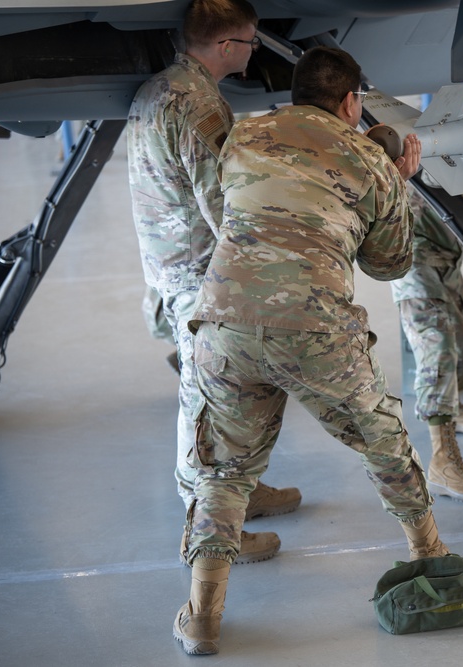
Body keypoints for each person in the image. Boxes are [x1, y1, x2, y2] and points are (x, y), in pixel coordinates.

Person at [173, 46, 449, 656]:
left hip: (226, 321)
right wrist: (395, 180)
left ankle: (202, 616)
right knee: (380, 435)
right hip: (315, 329)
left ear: (295, 91)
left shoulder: (245, 133)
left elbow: (226, 210)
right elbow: (390, 263)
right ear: (351, 101)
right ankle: (431, 553)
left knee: (223, 468)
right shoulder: (368, 161)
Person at [126, 0, 301, 566]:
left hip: (169, 263)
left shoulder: (157, 88)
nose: (254, 54)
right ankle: (209, 525)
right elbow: (225, 206)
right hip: (199, 274)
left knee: (224, 394)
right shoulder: (201, 106)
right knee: (208, 400)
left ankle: (239, 495)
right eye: (251, 43)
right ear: (226, 46)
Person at [391, 185, 463, 503]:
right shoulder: (427, 139)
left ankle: (452, 410)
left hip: (446, 255)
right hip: (412, 255)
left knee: (462, 336)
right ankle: (443, 462)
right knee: (437, 347)